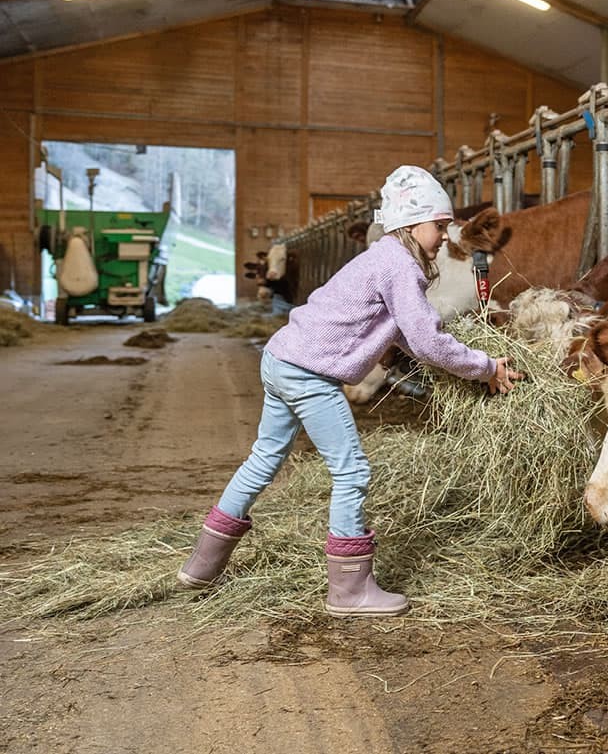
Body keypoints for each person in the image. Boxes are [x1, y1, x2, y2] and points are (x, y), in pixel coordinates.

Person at [177, 165, 524, 616]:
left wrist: (409, 352)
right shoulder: (401, 265)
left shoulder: (383, 256)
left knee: (263, 458)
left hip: (280, 358)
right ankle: (349, 590)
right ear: (411, 223)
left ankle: (202, 565)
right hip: (308, 374)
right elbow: (425, 339)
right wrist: (484, 367)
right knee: (352, 471)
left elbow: (395, 325)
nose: (443, 236)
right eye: (439, 226)